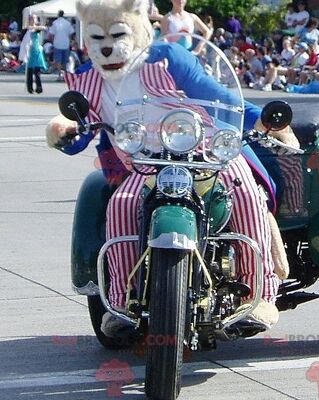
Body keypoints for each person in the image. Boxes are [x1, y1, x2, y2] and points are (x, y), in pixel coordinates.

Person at [46, 0, 284, 339]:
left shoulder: (167, 59)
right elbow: (79, 126)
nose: (108, 46)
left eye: (117, 34)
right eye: (98, 38)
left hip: (204, 152)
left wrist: (258, 118)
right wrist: (64, 132)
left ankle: (256, 294)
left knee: (244, 190)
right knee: (121, 205)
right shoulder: (88, 79)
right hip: (142, 165)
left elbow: (221, 98)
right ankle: (122, 304)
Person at [48, 10, 74, 81]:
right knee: (65, 61)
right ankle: (65, 76)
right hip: (66, 43)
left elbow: (51, 34)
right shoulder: (68, 23)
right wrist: (70, 40)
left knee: (58, 60)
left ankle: (60, 75)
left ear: (58, 15)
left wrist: (53, 41)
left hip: (57, 43)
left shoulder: (55, 23)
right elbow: (71, 33)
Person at [25, 15, 47, 94]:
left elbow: (44, 28)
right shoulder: (27, 29)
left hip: (36, 50)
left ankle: (39, 87)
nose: (33, 20)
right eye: (31, 19)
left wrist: (34, 27)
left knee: (37, 71)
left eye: (34, 19)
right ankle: (30, 88)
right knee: (30, 70)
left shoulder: (37, 29)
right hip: (30, 51)